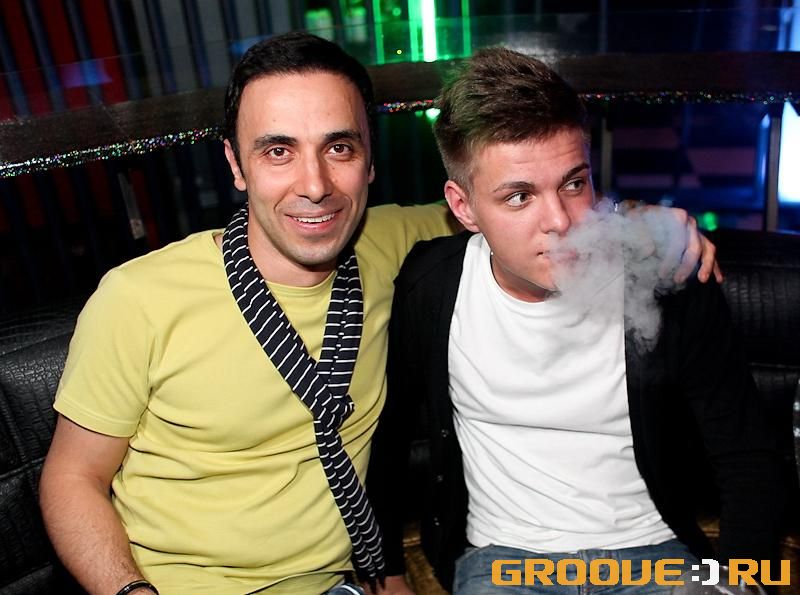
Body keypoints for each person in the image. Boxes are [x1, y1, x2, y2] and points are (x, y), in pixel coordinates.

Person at [39, 33, 719, 595]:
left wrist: (646, 220)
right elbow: (71, 480)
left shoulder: (397, 247)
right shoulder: (139, 297)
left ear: (369, 162)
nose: (315, 185)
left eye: (340, 147)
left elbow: (528, 209)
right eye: (278, 151)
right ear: (236, 166)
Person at [366, 48, 781, 595]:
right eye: (519, 197)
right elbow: (390, 437)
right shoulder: (432, 286)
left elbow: (747, 454)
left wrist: (741, 580)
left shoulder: (667, 276)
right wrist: (388, 573)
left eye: (573, 183)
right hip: (504, 562)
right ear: (463, 207)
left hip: (655, 556)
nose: (561, 222)